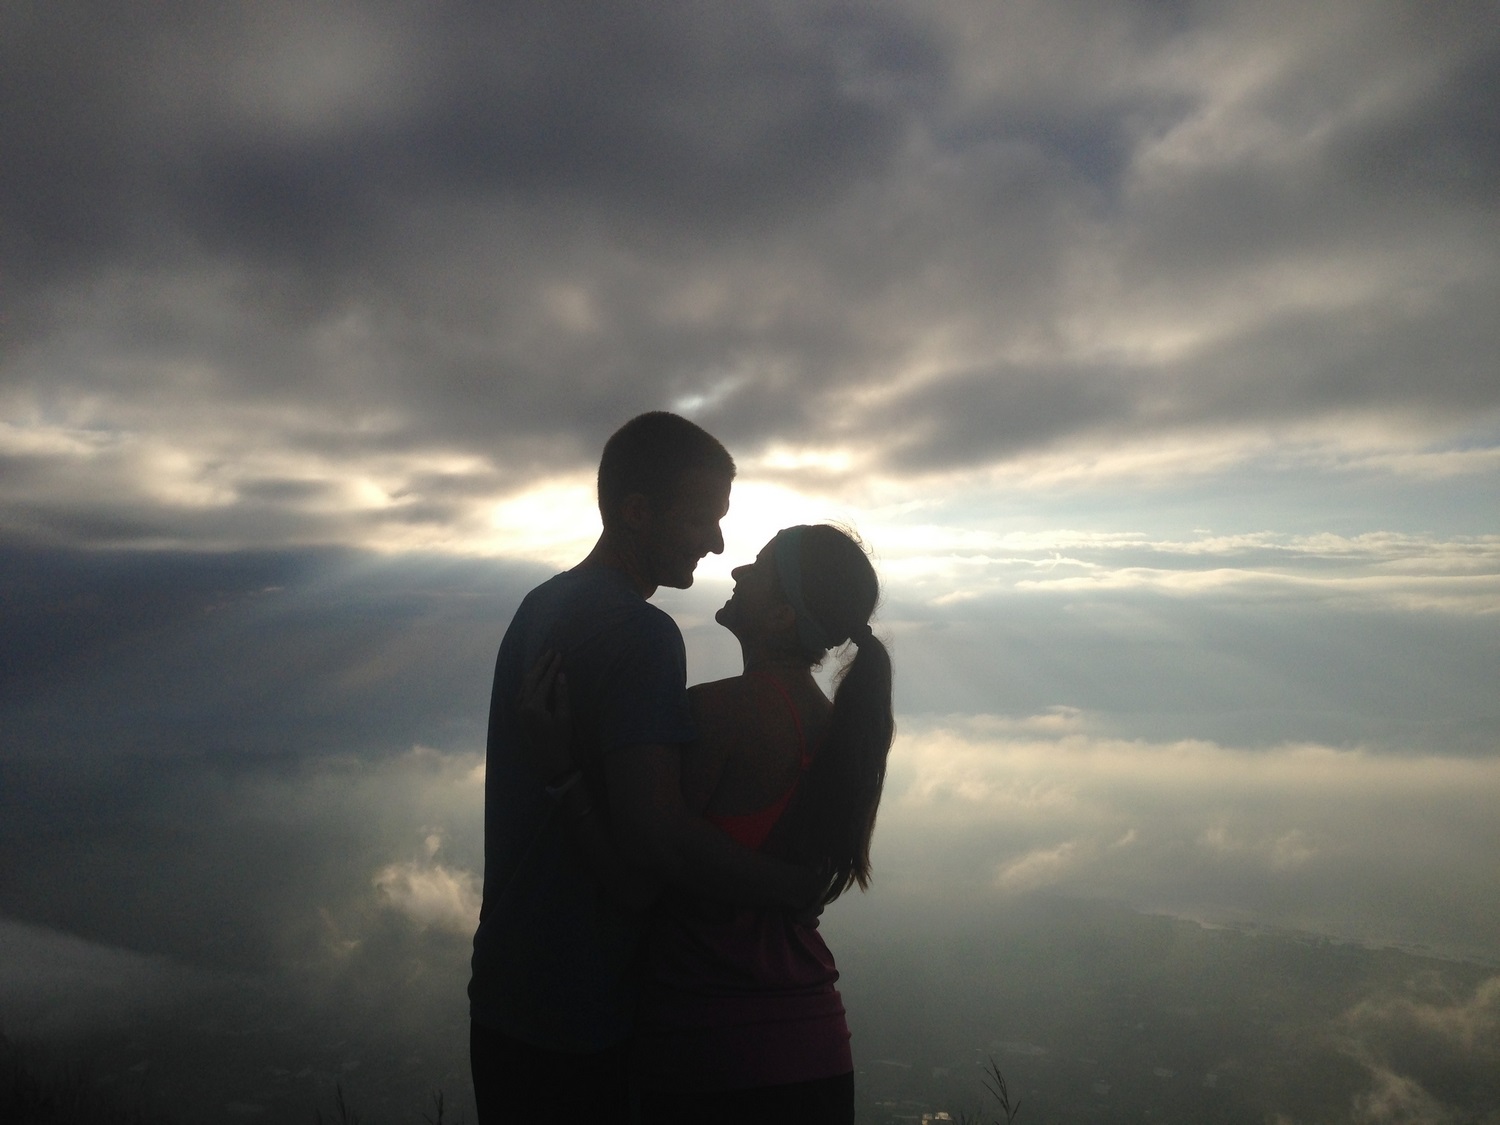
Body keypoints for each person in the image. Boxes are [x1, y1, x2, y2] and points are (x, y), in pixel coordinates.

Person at [468, 412, 822, 1124]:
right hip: (586, 1011)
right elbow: (647, 856)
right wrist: (787, 885)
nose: (718, 542)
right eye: (701, 519)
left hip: (507, 991)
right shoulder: (642, 634)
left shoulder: (540, 605)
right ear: (637, 513)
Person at [524, 523, 894, 1124]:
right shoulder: (843, 731)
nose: (739, 572)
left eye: (759, 569)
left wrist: (559, 772)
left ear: (778, 617)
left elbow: (636, 879)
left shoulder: (716, 714)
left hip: (711, 1050)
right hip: (818, 1047)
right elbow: (804, 881)